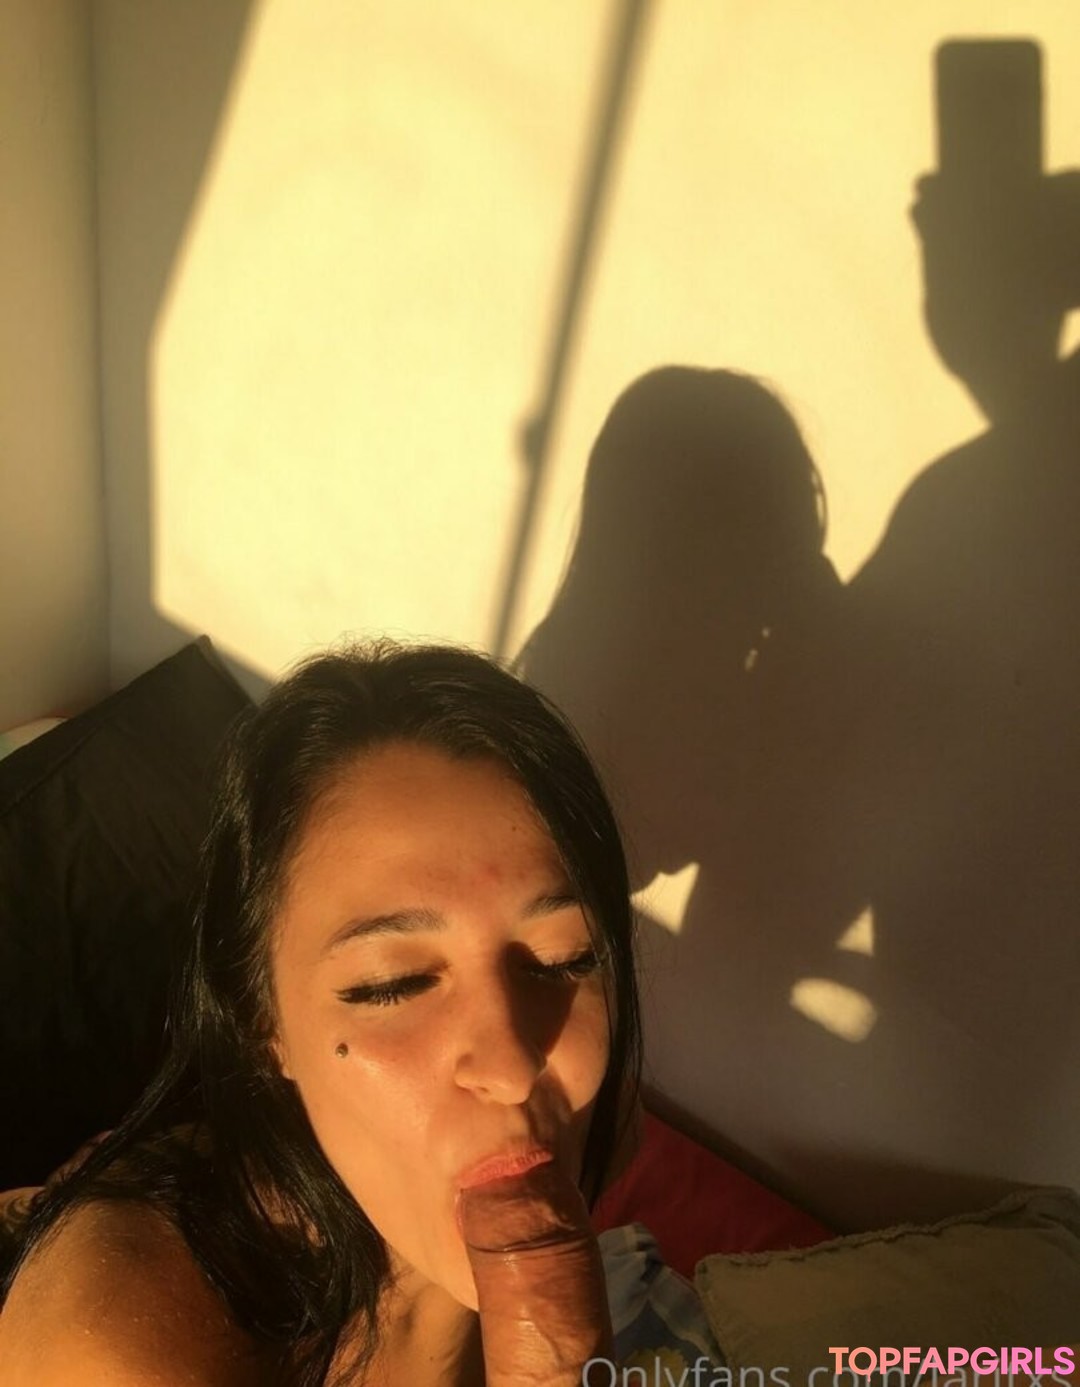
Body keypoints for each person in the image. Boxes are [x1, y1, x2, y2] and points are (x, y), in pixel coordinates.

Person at [0, 641, 722, 1385]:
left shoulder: (603, 1119)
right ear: (261, 1020)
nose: (514, 1067)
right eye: (392, 984)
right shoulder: (117, 1342)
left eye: (565, 957)